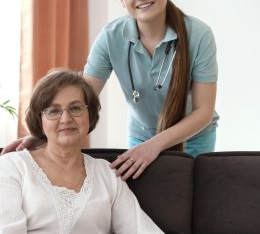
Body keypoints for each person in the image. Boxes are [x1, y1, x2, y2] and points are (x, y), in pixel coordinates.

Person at [1, 0, 218, 181]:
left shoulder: (199, 34)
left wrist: (154, 146)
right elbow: (83, 96)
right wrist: (42, 135)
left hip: (194, 136)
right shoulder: (110, 37)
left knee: (189, 205)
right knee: (147, 205)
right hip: (141, 135)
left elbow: (203, 112)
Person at [0, 69, 164, 233]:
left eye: (75, 108)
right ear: (39, 120)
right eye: (54, 111)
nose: (66, 119)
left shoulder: (107, 174)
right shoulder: (12, 167)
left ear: (90, 115)